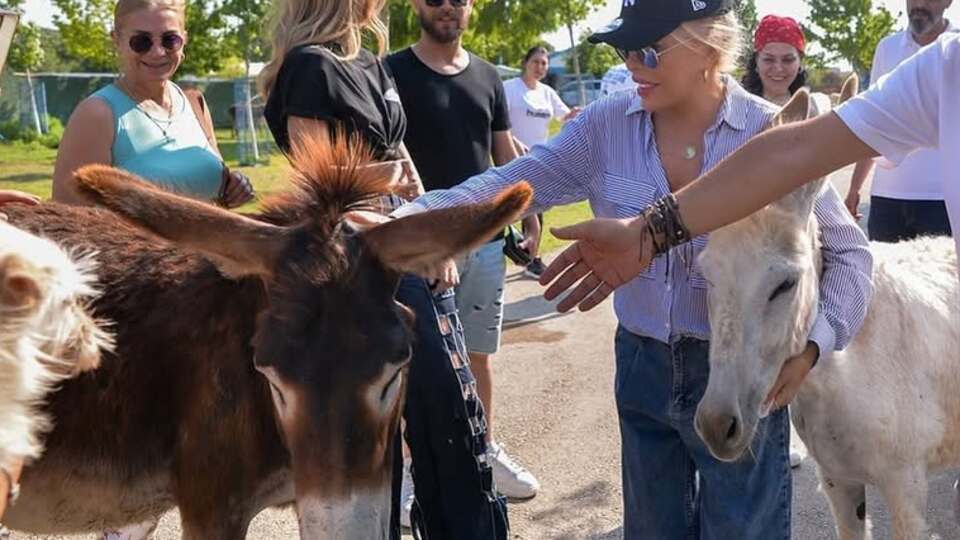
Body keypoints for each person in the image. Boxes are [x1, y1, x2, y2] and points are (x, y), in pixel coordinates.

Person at [394, 0, 872, 537]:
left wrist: (813, 348)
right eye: (625, 49)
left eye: (649, 50)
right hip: (643, 365)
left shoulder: (770, 136)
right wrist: (403, 222)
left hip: (739, 372)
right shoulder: (606, 126)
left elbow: (850, 254)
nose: (632, 64)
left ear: (709, 46)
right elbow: (512, 182)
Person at [258, 0, 507, 537]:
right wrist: (388, 182)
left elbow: (401, 154)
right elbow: (318, 184)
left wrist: (427, 231)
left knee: (450, 407)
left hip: (405, 244)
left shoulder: (370, 62)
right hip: (356, 262)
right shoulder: (311, 65)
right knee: (384, 424)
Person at [386, 0, 541, 503]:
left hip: (485, 242)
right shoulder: (390, 72)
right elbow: (386, 154)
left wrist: (530, 214)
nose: (447, 7)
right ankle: (413, 471)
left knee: (478, 354)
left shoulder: (488, 76)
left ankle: (483, 451)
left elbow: (504, 152)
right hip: (421, 245)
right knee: (416, 363)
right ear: (416, 4)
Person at [51, 0, 253, 209]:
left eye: (170, 40)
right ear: (117, 40)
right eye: (141, 41)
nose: (157, 52)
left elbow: (211, 192)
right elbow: (68, 217)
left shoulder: (194, 103)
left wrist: (233, 187)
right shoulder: (98, 114)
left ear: (184, 40)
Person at [742, 13, 822, 471]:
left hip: (803, 233)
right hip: (755, 237)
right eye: (769, 58)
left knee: (799, 334)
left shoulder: (815, 108)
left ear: (800, 60)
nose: (778, 68)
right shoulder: (741, 108)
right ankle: (764, 422)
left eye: (787, 59)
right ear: (755, 59)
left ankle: (799, 422)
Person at [845, 0, 956, 241]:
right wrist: (855, 187)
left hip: (942, 201)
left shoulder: (955, 49)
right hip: (887, 200)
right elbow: (873, 121)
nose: (920, 4)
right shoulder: (887, 48)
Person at [502, 46, 580, 278]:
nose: (540, 67)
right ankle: (522, 254)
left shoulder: (547, 92)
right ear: (525, 63)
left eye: (544, 63)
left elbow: (563, 116)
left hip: (540, 160)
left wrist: (575, 114)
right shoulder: (510, 89)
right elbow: (499, 123)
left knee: (537, 206)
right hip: (512, 157)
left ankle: (531, 257)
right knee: (517, 207)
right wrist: (512, 143)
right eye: (535, 62)